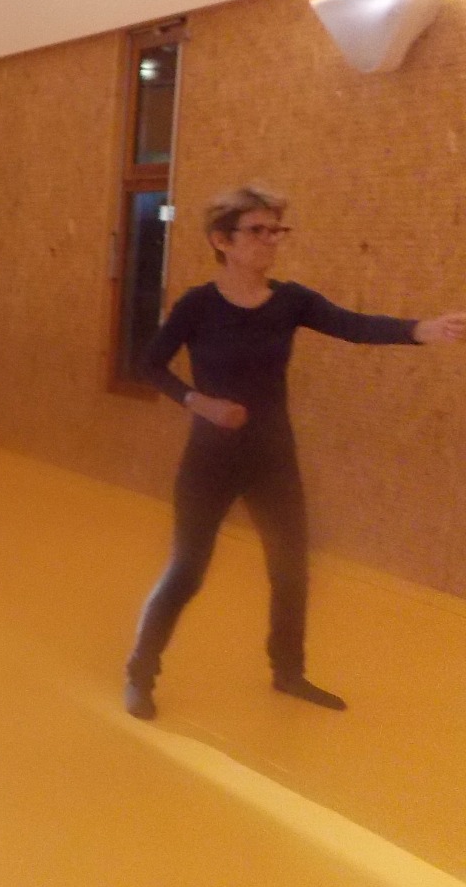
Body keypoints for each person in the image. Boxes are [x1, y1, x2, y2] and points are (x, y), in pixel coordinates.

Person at [124, 183, 466, 720]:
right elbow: (149, 363)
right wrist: (199, 402)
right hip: (211, 459)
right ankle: (140, 673)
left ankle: (288, 671)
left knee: (290, 569)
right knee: (187, 571)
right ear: (222, 240)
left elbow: (354, 326)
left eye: (275, 230)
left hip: (271, 457)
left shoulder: (291, 302)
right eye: (257, 231)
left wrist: (422, 330)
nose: (270, 240)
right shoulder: (198, 306)